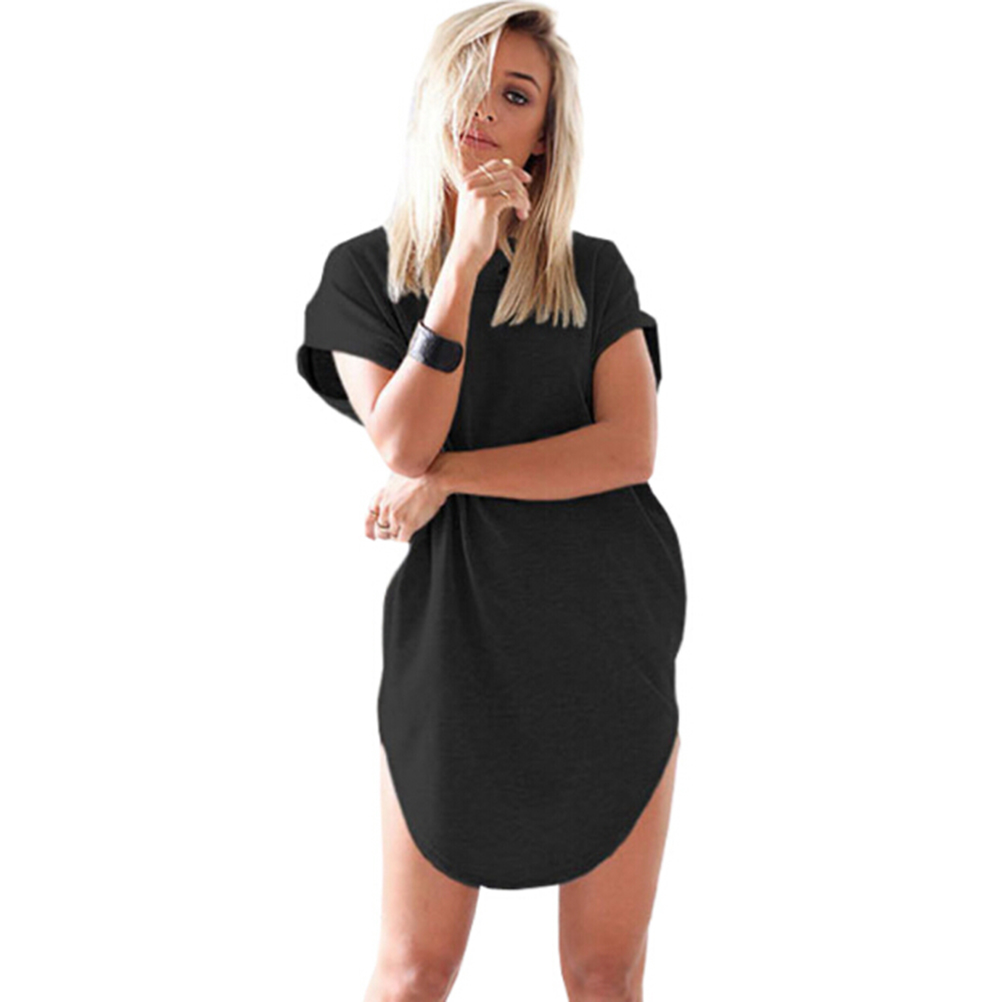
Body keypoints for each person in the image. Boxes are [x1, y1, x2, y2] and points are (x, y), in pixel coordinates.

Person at [296, 4, 687, 999]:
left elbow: (629, 450)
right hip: (456, 642)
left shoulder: (592, 273)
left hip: (606, 634)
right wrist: (463, 263)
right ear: (433, 91)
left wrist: (451, 478)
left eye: (515, 95)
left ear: (542, 139)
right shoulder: (365, 272)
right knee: (413, 968)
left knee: (604, 972)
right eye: (471, 81)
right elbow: (402, 439)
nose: (484, 110)